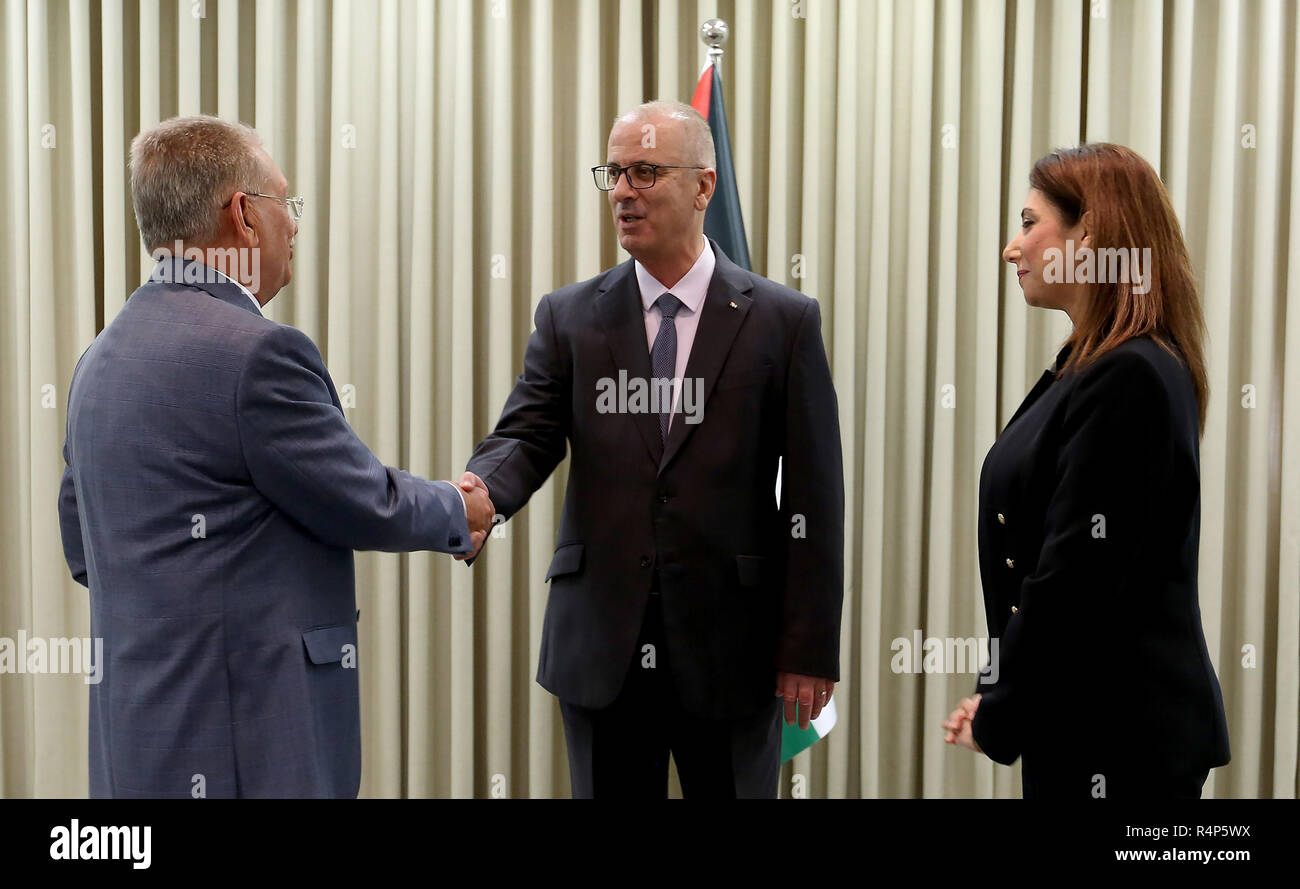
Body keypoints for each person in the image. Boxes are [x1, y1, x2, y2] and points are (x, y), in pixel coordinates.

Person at [57, 115, 493, 798]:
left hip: (133, 749)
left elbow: (85, 550)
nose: (294, 225)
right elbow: (361, 499)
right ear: (242, 216)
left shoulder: (97, 361)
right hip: (248, 747)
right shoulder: (257, 353)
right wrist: (458, 508)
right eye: (285, 204)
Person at [458, 101, 845, 798]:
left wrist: (809, 648)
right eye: (613, 173)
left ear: (704, 186)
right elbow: (527, 434)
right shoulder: (570, 315)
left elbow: (817, 497)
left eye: (644, 172)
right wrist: (482, 491)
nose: (623, 192)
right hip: (602, 645)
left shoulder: (783, 320)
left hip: (734, 650)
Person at [943, 143, 1231, 798]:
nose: (1011, 250)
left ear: (1090, 235)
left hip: (1121, 738)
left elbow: (1075, 571)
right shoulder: (1094, 364)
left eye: (1027, 223)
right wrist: (1003, 692)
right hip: (1086, 721)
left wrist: (1004, 696)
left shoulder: (1129, 372)